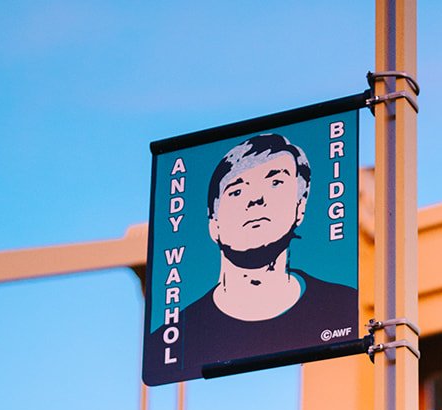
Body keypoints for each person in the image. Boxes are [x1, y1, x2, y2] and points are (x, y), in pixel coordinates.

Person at [148, 133, 357, 382]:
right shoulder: (173, 340)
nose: (256, 199)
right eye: (236, 191)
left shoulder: (342, 306)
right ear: (213, 224)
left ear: (300, 207)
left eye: (275, 183)